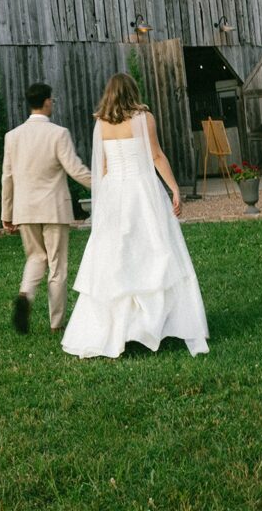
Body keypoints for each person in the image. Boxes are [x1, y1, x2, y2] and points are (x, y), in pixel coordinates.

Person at [62, 73, 209, 358]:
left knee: (116, 257)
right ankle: (153, 322)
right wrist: (174, 188)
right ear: (133, 92)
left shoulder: (101, 123)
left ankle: (121, 328)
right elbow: (155, 156)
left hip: (115, 193)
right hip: (141, 191)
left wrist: (103, 203)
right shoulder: (144, 118)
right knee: (153, 251)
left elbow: (102, 167)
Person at [2, 82, 92, 334]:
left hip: (25, 209)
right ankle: (56, 324)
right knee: (57, 266)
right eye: (51, 100)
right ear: (46, 102)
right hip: (53, 209)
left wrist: (6, 214)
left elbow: (6, 177)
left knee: (35, 257)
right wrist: (103, 184)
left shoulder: (13, 136)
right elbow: (75, 169)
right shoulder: (58, 134)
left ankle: (26, 295)